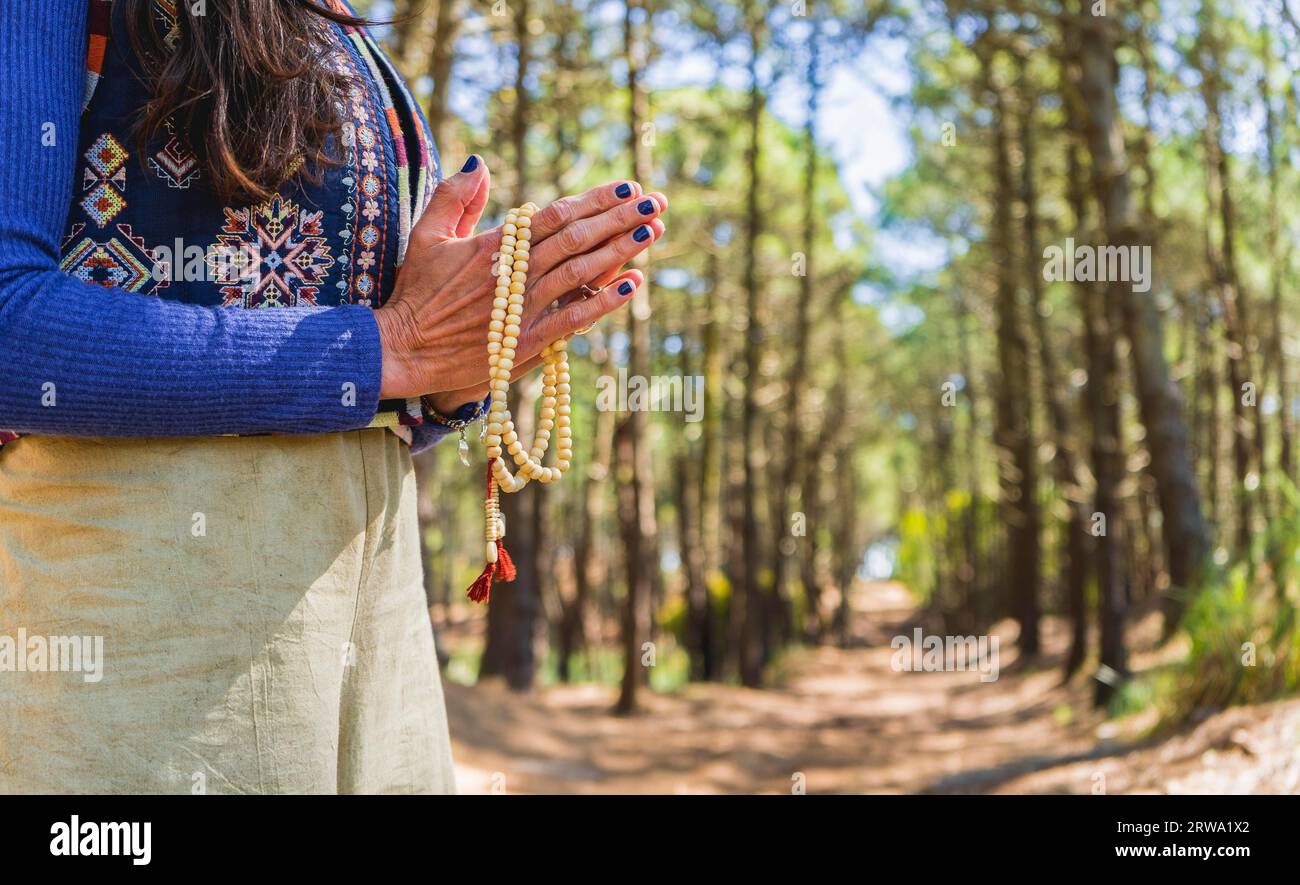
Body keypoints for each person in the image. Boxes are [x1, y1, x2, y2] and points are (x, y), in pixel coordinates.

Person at [0, 0, 666, 794]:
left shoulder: (339, 21)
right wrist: (388, 347)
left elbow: (364, 389)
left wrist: (446, 377)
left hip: (377, 631)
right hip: (146, 639)